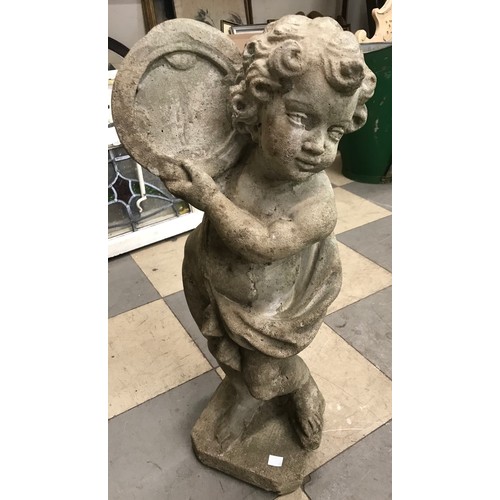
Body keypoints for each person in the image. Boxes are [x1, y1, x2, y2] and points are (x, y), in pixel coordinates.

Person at [167, 15, 376, 451]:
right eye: (301, 117)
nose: (318, 145)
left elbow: (264, 245)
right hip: (213, 284)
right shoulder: (235, 152)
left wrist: (210, 199)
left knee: (263, 372)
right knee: (234, 360)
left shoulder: (316, 204)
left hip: (273, 312)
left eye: (335, 131)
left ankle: (298, 386)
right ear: (256, 104)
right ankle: (244, 387)